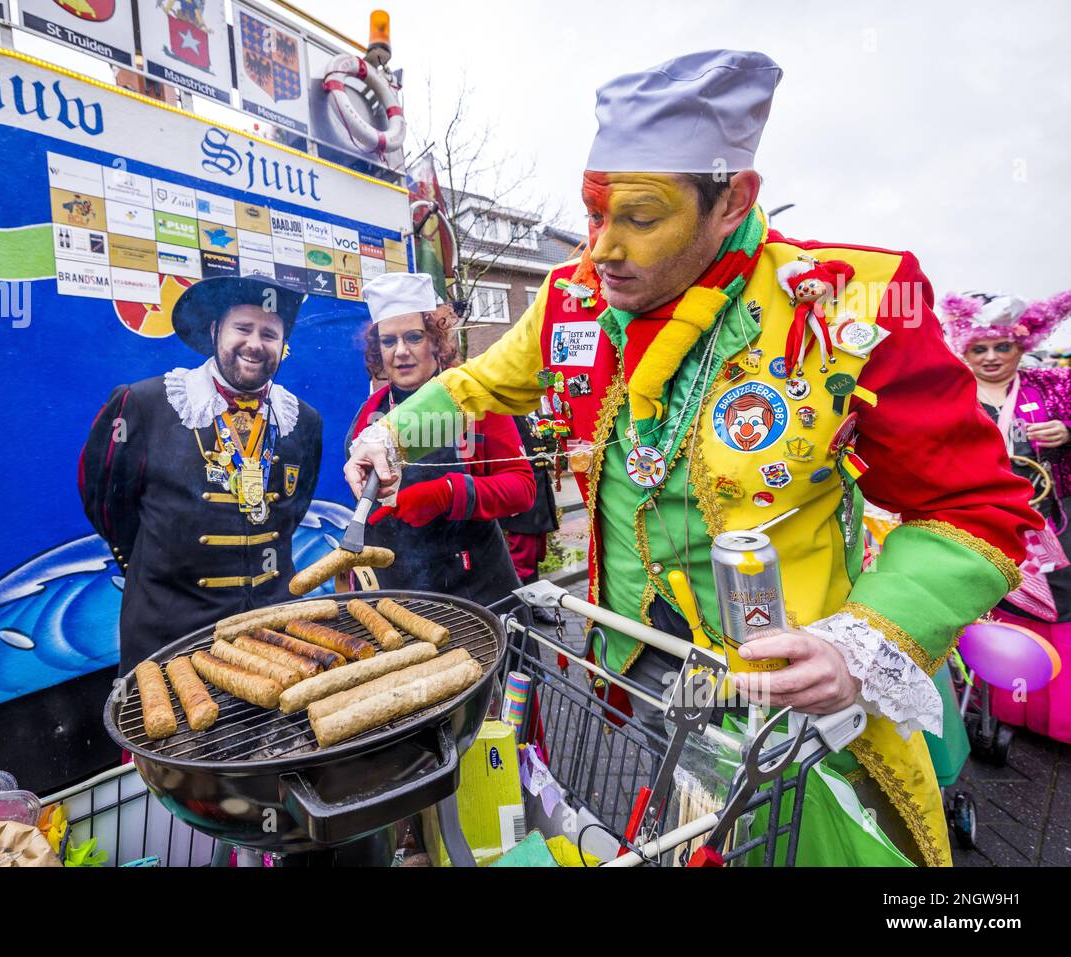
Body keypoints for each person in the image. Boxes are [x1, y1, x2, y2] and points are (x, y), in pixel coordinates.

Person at [345, 50, 1040, 866]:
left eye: (640, 216)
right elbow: (480, 385)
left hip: (791, 706)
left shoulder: (856, 299)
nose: (601, 247)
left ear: (733, 200)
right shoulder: (571, 298)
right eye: (594, 212)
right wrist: (394, 434)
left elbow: (980, 512)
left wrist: (861, 643)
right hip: (634, 678)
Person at [80, 276, 322, 675]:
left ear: (283, 345)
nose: (255, 344)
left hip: (273, 628)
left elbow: (291, 512)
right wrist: (156, 566)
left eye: (269, 334)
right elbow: (105, 501)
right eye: (242, 328)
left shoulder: (304, 420)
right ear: (215, 331)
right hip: (172, 631)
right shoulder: (145, 403)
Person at [346, 272, 534, 605]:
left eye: (414, 337)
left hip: (477, 586)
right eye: (389, 341)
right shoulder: (369, 413)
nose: (401, 351)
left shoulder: (473, 402)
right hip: (400, 590)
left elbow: (522, 489)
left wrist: (448, 493)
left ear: (436, 340)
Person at [944, 289, 1071, 744]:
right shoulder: (951, 393)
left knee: (1062, 604)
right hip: (986, 524)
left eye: (1004, 347)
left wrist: (1068, 432)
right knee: (1001, 602)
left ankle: (1059, 717)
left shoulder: (1053, 386)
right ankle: (1010, 709)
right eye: (980, 348)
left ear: (1023, 347)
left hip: (1054, 523)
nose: (992, 357)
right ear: (965, 350)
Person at [501, 413, 560, 589]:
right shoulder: (507, 413)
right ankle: (522, 606)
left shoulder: (530, 413)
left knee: (535, 550)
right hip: (521, 491)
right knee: (522, 555)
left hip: (539, 490)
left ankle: (533, 603)